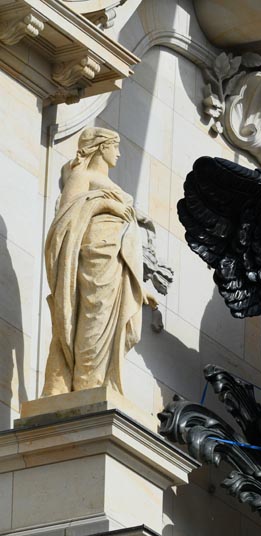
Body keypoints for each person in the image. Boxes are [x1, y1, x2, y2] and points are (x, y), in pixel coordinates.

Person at [42, 128, 156, 396]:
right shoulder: (82, 176)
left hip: (117, 261)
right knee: (94, 317)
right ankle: (86, 384)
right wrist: (106, 205)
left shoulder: (103, 181)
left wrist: (138, 286)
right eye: (115, 147)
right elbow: (65, 219)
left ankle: (99, 382)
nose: (118, 153)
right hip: (94, 256)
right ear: (102, 147)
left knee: (113, 322)